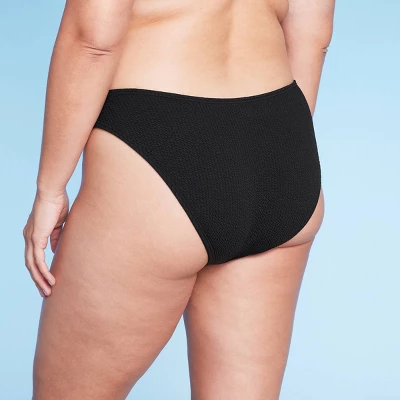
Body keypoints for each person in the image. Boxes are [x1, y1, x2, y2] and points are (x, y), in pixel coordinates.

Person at [23, 0, 335, 398]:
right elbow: (313, 35)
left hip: (159, 144)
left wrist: (50, 189)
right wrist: (274, 155)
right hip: (280, 144)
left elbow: (94, 40)